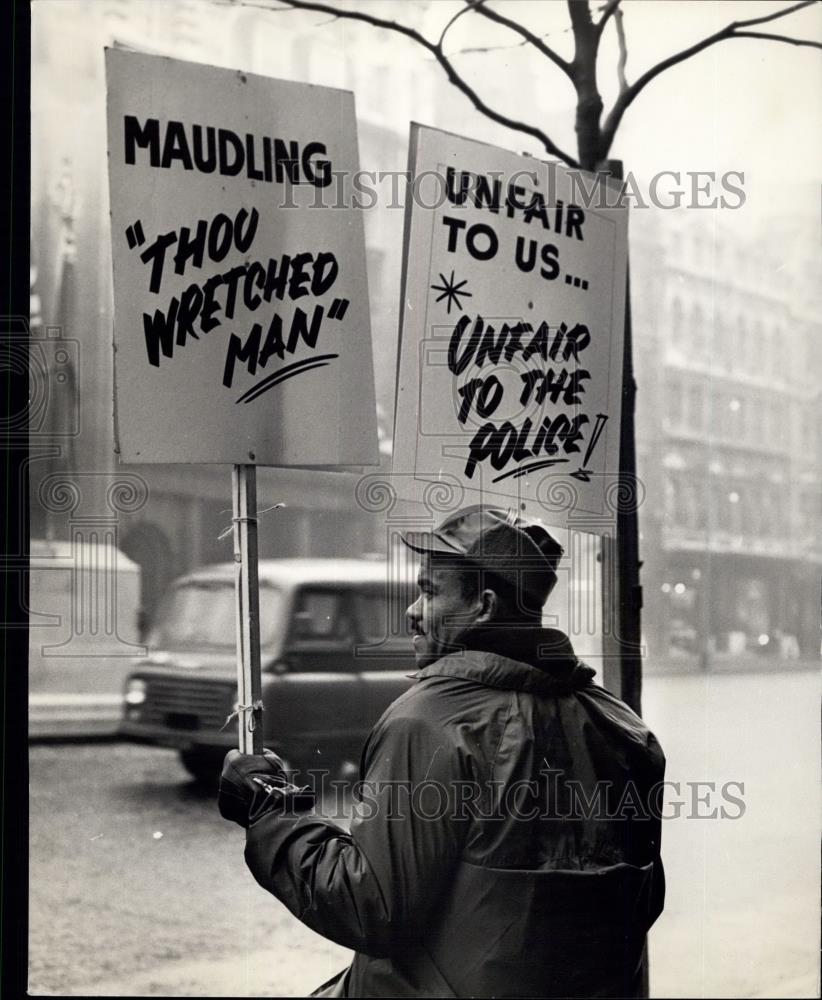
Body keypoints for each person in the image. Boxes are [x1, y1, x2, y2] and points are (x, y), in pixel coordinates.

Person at [218, 505, 666, 998]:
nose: (411, 611)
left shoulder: (431, 721)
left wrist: (271, 812)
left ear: (485, 606)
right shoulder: (622, 729)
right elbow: (637, 905)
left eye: (429, 591)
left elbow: (371, 907)